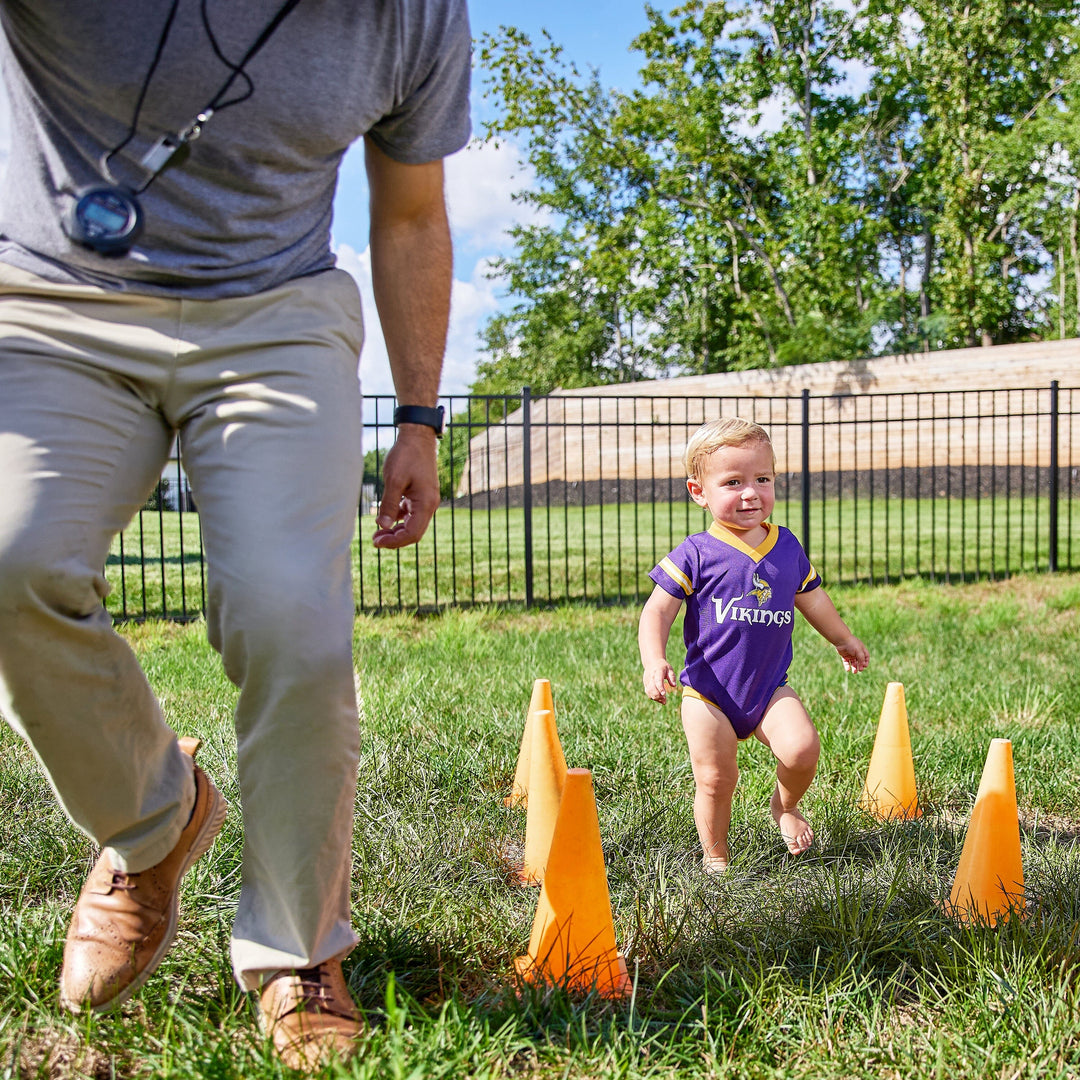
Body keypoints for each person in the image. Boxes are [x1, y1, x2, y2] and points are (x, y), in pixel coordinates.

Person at [0, 0, 470, 1070]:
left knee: (292, 618)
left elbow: (410, 215)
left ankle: (298, 949)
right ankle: (152, 823)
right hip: (51, 301)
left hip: (276, 317)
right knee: (7, 561)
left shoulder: (409, 17)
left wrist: (417, 418)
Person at [638, 417, 869, 873]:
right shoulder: (696, 552)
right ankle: (716, 858)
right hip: (708, 694)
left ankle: (785, 805)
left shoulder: (786, 546)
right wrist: (654, 660)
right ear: (699, 492)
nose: (751, 493)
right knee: (715, 779)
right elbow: (656, 612)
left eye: (762, 479)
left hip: (768, 689)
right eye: (733, 482)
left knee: (802, 749)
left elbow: (812, 598)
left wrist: (843, 638)